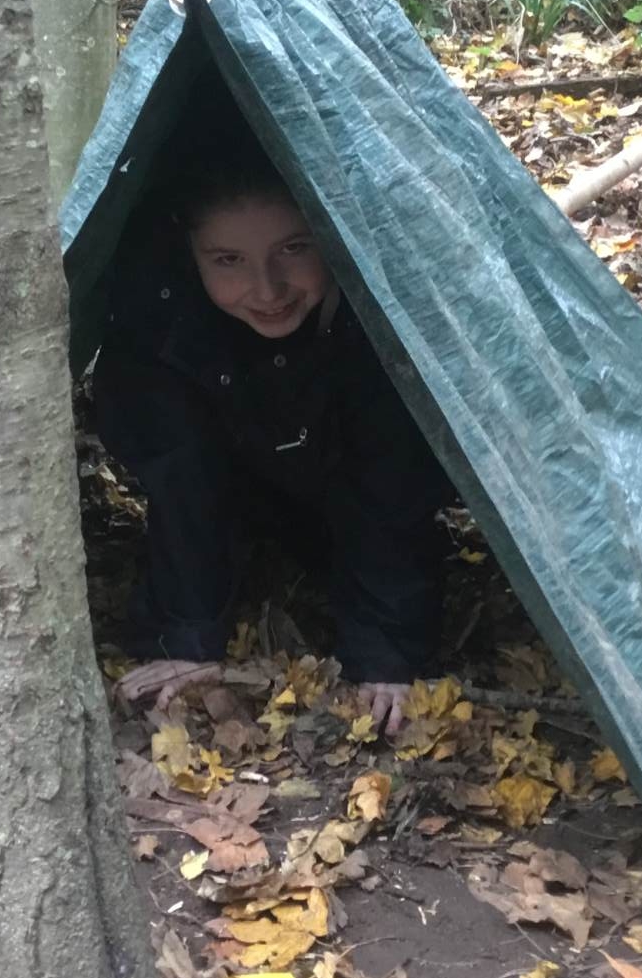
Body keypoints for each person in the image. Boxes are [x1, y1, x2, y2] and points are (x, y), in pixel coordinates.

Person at [92, 129, 454, 735]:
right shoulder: (158, 310)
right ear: (189, 251)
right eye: (227, 260)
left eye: (294, 248)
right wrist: (187, 636)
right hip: (245, 486)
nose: (267, 288)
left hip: (338, 476)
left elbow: (391, 481)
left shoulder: (377, 310)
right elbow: (181, 476)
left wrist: (386, 656)